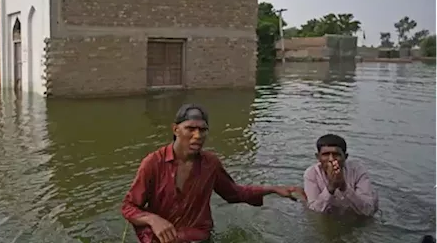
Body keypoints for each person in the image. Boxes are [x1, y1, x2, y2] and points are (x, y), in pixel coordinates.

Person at [121, 103, 305, 243]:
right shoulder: (153, 163)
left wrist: (272, 189)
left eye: (202, 130)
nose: (197, 135)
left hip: (198, 237)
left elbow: (234, 193)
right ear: (176, 129)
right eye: (190, 129)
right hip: (160, 239)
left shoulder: (211, 164)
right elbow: (129, 206)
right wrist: (153, 220)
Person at [303, 134, 378, 216]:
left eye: (336, 154)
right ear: (318, 157)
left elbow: (368, 210)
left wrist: (344, 187)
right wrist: (330, 188)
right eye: (326, 154)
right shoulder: (312, 173)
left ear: (345, 157)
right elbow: (314, 211)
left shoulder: (358, 170)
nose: (331, 159)